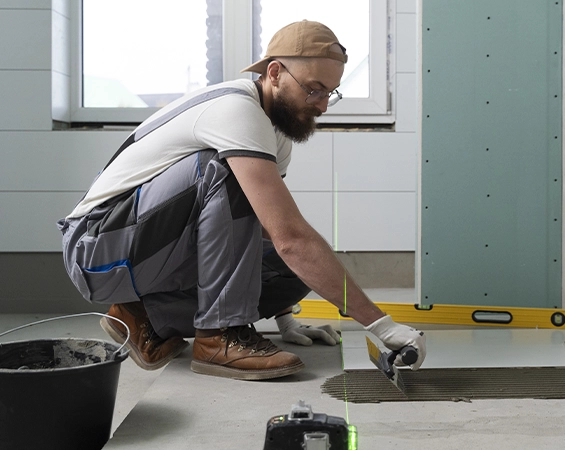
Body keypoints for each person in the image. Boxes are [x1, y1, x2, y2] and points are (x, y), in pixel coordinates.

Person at [56, 20, 426, 380]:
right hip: (96, 248)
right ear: (275, 73)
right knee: (230, 174)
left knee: (293, 271)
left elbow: (261, 227)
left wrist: (285, 318)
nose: (323, 106)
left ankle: (146, 316)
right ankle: (219, 335)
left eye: (331, 93)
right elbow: (291, 237)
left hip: (149, 250)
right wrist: (382, 325)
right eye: (314, 90)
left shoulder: (275, 135)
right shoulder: (236, 110)